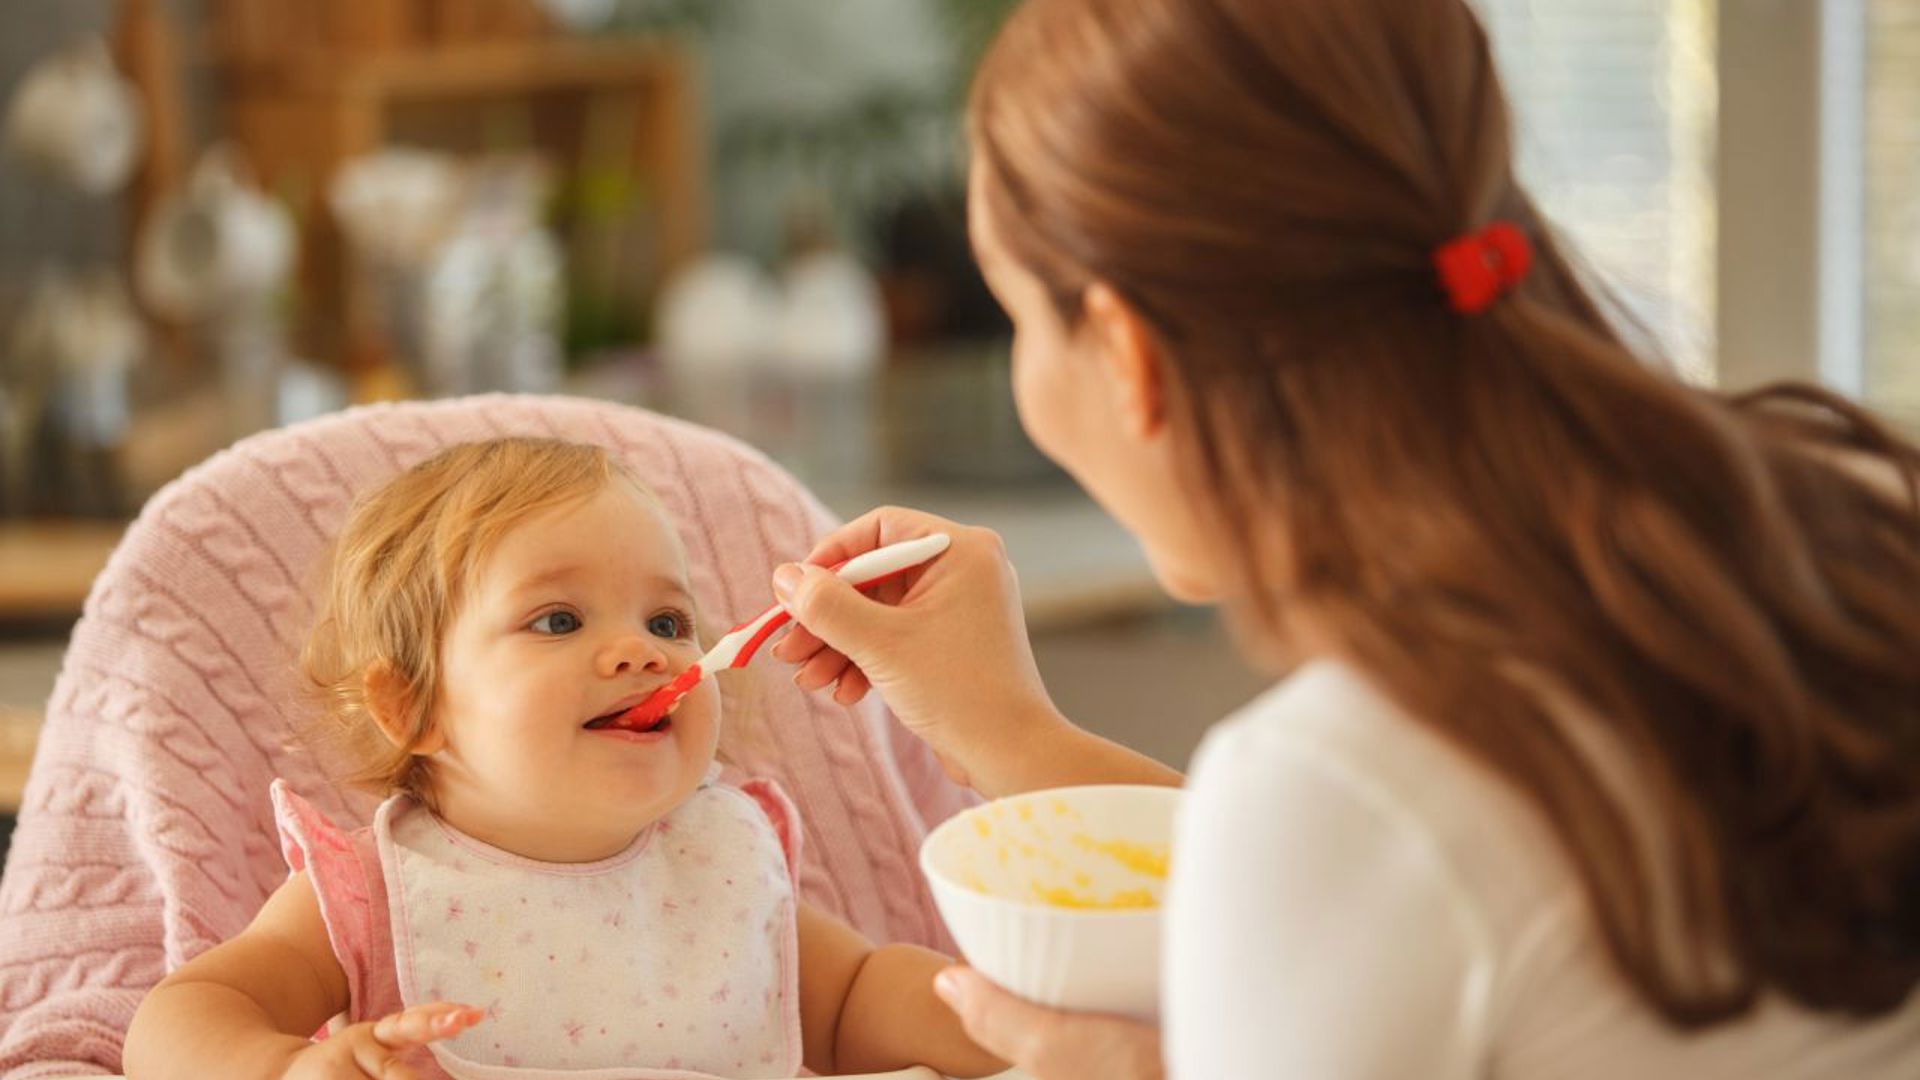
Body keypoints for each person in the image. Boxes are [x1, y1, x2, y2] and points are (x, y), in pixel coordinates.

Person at [764, 0, 1920, 1077]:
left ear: (1123, 351)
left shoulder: (1346, 792)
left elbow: (1359, 853)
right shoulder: (1856, 509)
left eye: (1020, 316)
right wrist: (1013, 735)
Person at [121, 438, 1003, 1080]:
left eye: (667, 621)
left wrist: (1008, 1014)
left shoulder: (722, 862)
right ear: (412, 707)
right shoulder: (370, 894)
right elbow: (180, 1018)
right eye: (558, 621)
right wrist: (283, 1071)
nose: (642, 651)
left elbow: (852, 1000)